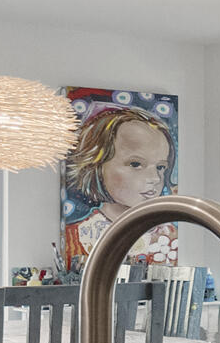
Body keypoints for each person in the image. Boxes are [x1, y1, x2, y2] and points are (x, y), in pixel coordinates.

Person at [62, 104, 178, 270]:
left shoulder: (169, 236)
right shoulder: (74, 237)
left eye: (160, 167)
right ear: (97, 165)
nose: (154, 179)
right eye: (136, 164)